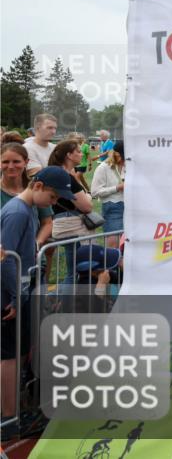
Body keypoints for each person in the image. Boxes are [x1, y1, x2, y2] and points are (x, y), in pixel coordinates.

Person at [1, 166, 74, 440]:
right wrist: (17, 297)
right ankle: (8, 419)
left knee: (17, 353)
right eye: (53, 197)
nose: (53, 204)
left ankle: (14, 411)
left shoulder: (26, 209)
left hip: (16, 292)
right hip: (9, 298)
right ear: (39, 186)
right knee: (8, 357)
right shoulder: (18, 212)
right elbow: (5, 258)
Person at [47, 141, 96, 278]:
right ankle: (65, 299)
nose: (82, 154)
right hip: (73, 227)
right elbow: (86, 207)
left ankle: (64, 299)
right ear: (69, 155)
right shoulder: (66, 177)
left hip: (62, 223)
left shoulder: (60, 174)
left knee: (73, 272)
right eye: (79, 151)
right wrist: (88, 197)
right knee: (77, 274)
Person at [1, 144, 54, 249]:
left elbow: (47, 223)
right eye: (5, 162)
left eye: (16, 161)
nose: (11, 166)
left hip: (31, 258)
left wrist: (37, 243)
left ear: (26, 162)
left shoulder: (36, 189)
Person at [91, 141, 125, 235]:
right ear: (116, 154)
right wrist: (117, 188)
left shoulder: (130, 166)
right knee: (113, 244)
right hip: (113, 207)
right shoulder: (103, 167)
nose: (125, 160)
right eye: (123, 157)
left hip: (131, 207)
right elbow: (94, 192)